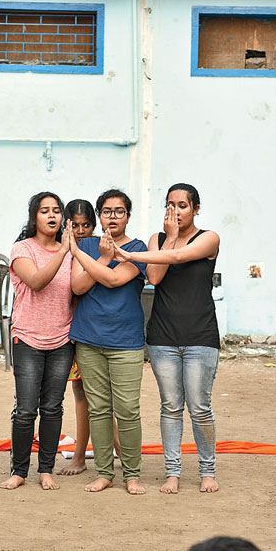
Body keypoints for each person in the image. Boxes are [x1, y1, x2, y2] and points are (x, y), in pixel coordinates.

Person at [112, 183, 221, 494]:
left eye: (183, 206)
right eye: (170, 205)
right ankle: (172, 471)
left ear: (196, 209)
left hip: (201, 336)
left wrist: (129, 256)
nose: (175, 211)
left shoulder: (209, 238)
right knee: (170, 405)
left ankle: (207, 469)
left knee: (200, 406)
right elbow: (156, 277)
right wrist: (168, 237)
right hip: (163, 336)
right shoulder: (157, 240)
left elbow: (182, 256)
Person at [68, 189, 148, 494]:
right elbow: (77, 286)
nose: (112, 217)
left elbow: (115, 279)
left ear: (128, 215)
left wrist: (86, 260)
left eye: (119, 211)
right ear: (98, 216)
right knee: (98, 409)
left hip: (125, 341)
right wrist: (100, 256)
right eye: (106, 211)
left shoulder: (137, 249)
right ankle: (103, 472)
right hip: (89, 338)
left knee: (127, 409)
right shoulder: (87, 243)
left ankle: (131, 474)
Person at [0, 192, 75, 491]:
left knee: (53, 408)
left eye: (57, 210)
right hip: (28, 338)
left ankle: (46, 470)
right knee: (27, 409)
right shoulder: (22, 249)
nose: (52, 216)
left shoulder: (71, 251)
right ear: (34, 217)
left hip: (62, 340)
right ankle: (19, 471)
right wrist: (63, 252)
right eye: (45, 211)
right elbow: (36, 281)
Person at [57, 198, 121, 476]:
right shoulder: (61, 249)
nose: (81, 230)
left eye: (86, 225)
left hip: (93, 330)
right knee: (82, 394)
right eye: (75, 225)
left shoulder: (97, 247)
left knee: (99, 397)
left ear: (94, 225)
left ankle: (100, 454)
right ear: (66, 225)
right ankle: (87, 455)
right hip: (67, 330)